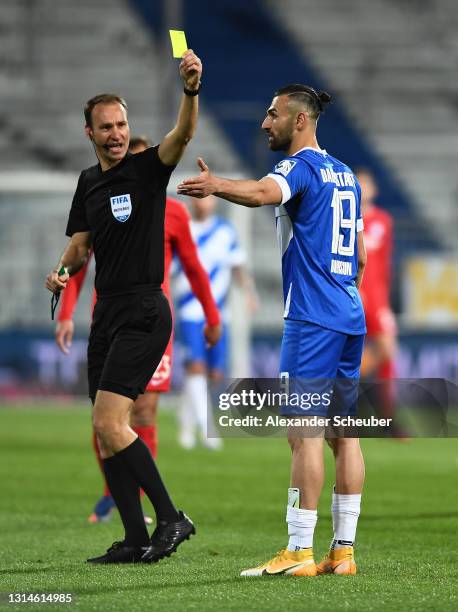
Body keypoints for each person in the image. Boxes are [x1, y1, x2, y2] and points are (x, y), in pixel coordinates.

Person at [178, 84, 367, 577]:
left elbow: (264, 193)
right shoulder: (346, 175)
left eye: (273, 114)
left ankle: (299, 551)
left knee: (303, 434)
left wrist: (217, 184)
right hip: (350, 312)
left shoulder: (300, 166)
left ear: (299, 121)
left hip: (312, 318)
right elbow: (362, 256)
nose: (265, 123)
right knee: (345, 435)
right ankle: (342, 552)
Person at [46, 50, 206, 564]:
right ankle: (135, 537)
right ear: (88, 133)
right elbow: (79, 247)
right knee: (102, 428)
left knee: (114, 423)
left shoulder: (146, 170)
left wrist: (190, 90)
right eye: (106, 127)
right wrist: (62, 273)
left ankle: (171, 517)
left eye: (122, 124)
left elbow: (181, 137)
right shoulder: (88, 184)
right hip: (105, 313)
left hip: (143, 310)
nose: (116, 133)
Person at [55, 135, 221, 523]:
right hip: (107, 316)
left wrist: (213, 316)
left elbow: (194, 268)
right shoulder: (103, 195)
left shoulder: (173, 212)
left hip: (146, 322)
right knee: (106, 416)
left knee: (143, 412)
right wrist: (65, 311)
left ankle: (146, 504)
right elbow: (80, 253)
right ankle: (114, 493)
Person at [174, 195, 257, 450]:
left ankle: (186, 424)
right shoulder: (182, 229)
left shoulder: (225, 231)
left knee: (213, 374)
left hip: (218, 313)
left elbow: (237, 266)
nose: (203, 201)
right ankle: (207, 428)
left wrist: (249, 292)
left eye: (207, 197)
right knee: (196, 367)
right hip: (189, 309)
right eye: (199, 197)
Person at [356, 169, 397, 418]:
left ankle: (386, 413)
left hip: (378, 298)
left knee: (387, 351)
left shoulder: (383, 221)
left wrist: (386, 303)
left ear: (374, 190)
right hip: (355, 294)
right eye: (358, 184)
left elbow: (385, 265)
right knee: (350, 351)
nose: (363, 188)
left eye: (366, 184)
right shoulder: (347, 219)